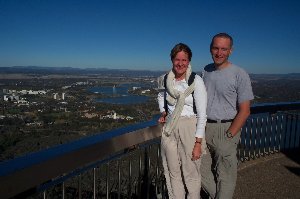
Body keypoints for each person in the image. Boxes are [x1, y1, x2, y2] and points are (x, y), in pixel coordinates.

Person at [200, 33, 254, 199]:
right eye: (216, 48)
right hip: (203, 128)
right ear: (210, 49)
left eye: (224, 49)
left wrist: (230, 134)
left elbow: (245, 110)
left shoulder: (239, 73)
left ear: (231, 51)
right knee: (200, 171)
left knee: (226, 175)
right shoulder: (205, 71)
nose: (219, 52)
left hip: (226, 128)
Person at [157, 43, 207, 199]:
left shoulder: (195, 81)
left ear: (189, 61)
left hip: (189, 127)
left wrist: (198, 143)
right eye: (177, 59)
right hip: (170, 127)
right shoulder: (166, 79)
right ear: (172, 60)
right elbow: (160, 95)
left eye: (184, 60)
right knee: (172, 171)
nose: (180, 63)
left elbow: (202, 114)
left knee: (191, 173)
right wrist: (164, 111)